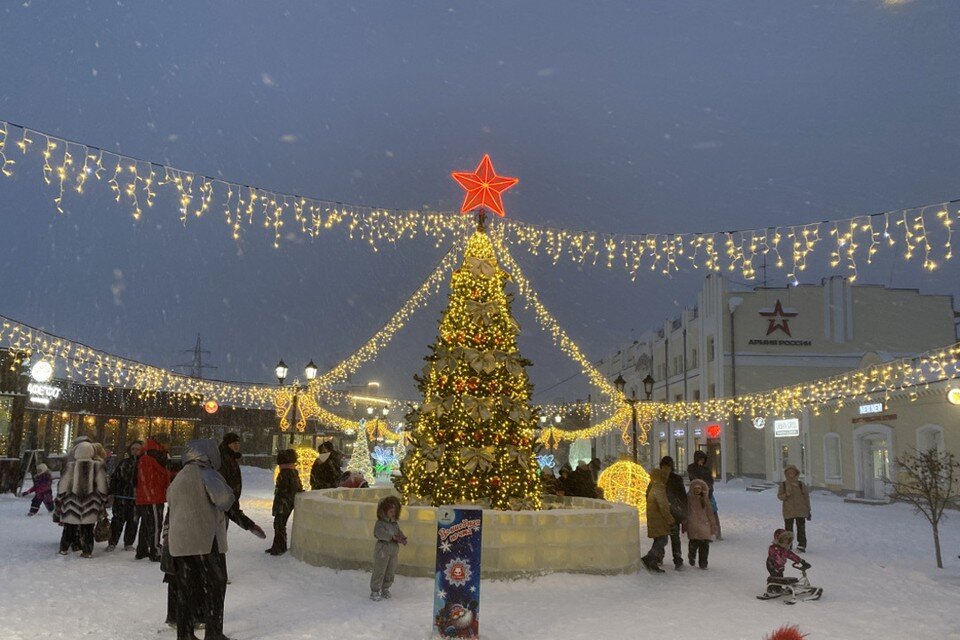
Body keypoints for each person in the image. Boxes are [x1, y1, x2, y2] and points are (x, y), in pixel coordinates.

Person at [166, 439, 236, 640]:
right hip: (206, 541)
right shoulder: (207, 474)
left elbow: (170, 500)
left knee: (187, 590)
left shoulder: (179, 476)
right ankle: (213, 633)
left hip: (181, 542)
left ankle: (185, 634)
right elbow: (225, 501)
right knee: (215, 587)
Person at [54, 442, 108, 557]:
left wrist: (60, 496)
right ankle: (87, 551)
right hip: (91, 503)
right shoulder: (97, 466)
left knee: (69, 528)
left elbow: (64, 483)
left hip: (71, 503)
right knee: (88, 529)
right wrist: (103, 497)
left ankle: (63, 548)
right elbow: (102, 484)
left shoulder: (71, 466)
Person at [218, 433, 265, 537]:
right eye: (234, 443)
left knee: (219, 542)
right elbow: (225, 491)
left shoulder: (230, 459)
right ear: (227, 444)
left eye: (238, 443)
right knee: (218, 543)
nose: (237, 446)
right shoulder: (224, 460)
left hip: (224, 507)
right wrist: (248, 524)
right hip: (220, 508)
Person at [136, 437, 171, 561]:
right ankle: (155, 550)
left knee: (146, 523)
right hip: (154, 495)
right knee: (155, 524)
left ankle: (142, 549)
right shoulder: (155, 456)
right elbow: (162, 474)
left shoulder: (146, 455)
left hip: (147, 495)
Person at [266, 449, 302, 556]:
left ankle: (279, 547)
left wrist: (283, 498)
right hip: (285, 502)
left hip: (283, 502)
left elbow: (285, 489)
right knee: (279, 524)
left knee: (279, 524)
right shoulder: (291, 472)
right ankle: (278, 546)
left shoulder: (286, 473)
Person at [370, 495, 407, 601]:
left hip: (393, 551)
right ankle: (375, 590)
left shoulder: (395, 524)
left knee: (390, 570)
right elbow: (378, 533)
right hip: (382, 550)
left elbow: (398, 532)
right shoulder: (380, 523)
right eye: (391, 511)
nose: (393, 514)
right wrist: (391, 537)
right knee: (380, 570)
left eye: (394, 512)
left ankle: (385, 588)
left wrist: (402, 537)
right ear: (384, 511)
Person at [106, 440, 142, 551]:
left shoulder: (143, 464)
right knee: (117, 521)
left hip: (136, 498)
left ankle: (129, 543)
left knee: (133, 521)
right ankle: (112, 542)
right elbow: (115, 479)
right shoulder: (124, 463)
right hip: (121, 497)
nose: (135, 452)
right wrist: (111, 493)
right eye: (133, 449)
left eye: (137, 449)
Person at [641, 468, 675, 573]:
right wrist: (670, 519)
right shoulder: (659, 489)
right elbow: (663, 507)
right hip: (659, 520)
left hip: (654, 519)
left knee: (658, 540)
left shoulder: (653, 487)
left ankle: (653, 562)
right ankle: (649, 558)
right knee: (662, 540)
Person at [688, 450, 721, 540]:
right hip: (696, 493)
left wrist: (707, 490)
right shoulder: (692, 468)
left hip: (708, 493)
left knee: (712, 510)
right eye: (700, 459)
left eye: (703, 459)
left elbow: (710, 481)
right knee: (696, 512)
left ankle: (716, 532)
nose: (702, 461)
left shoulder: (706, 469)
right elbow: (694, 480)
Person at [777, 465, 812, 552]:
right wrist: (786, 494)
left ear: (796, 473)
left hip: (801, 510)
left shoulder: (801, 484)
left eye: (793, 472)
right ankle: (788, 545)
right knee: (788, 529)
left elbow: (806, 497)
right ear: (786, 473)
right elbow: (780, 496)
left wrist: (808, 510)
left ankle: (802, 545)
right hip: (788, 511)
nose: (791, 474)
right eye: (789, 473)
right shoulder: (784, 484)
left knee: (801, 528)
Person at [686, 478, 718, 569]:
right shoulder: (689, 499)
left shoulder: (705, 500)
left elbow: (710, 513)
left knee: (704, 546)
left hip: (705, 525)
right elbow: (686, 511)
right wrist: (685, 522)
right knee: (693, 544)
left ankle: (703, 563)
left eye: (699, 489)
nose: (697, 491)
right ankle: (691, 556)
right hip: (693, 525)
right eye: (695, 489)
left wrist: (713, 525)